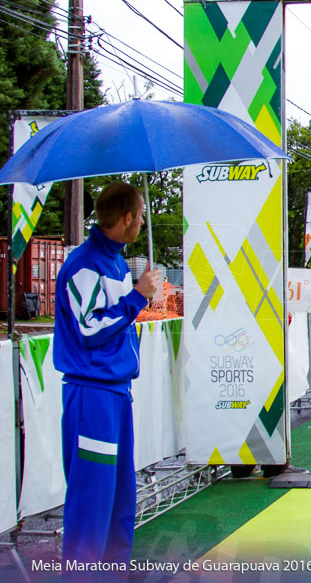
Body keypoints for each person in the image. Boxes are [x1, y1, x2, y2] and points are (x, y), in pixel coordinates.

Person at [53, 182, 162, 565]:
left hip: (115, 393)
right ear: (129, 217)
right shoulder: (84, 263)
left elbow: (114, 322)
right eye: (142, 214)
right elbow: (90, 328)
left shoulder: (115, 261)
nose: (144, 221)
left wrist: (141, 297)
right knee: (92, 502)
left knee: (119, 500)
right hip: (92, 394)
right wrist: (136, 298)